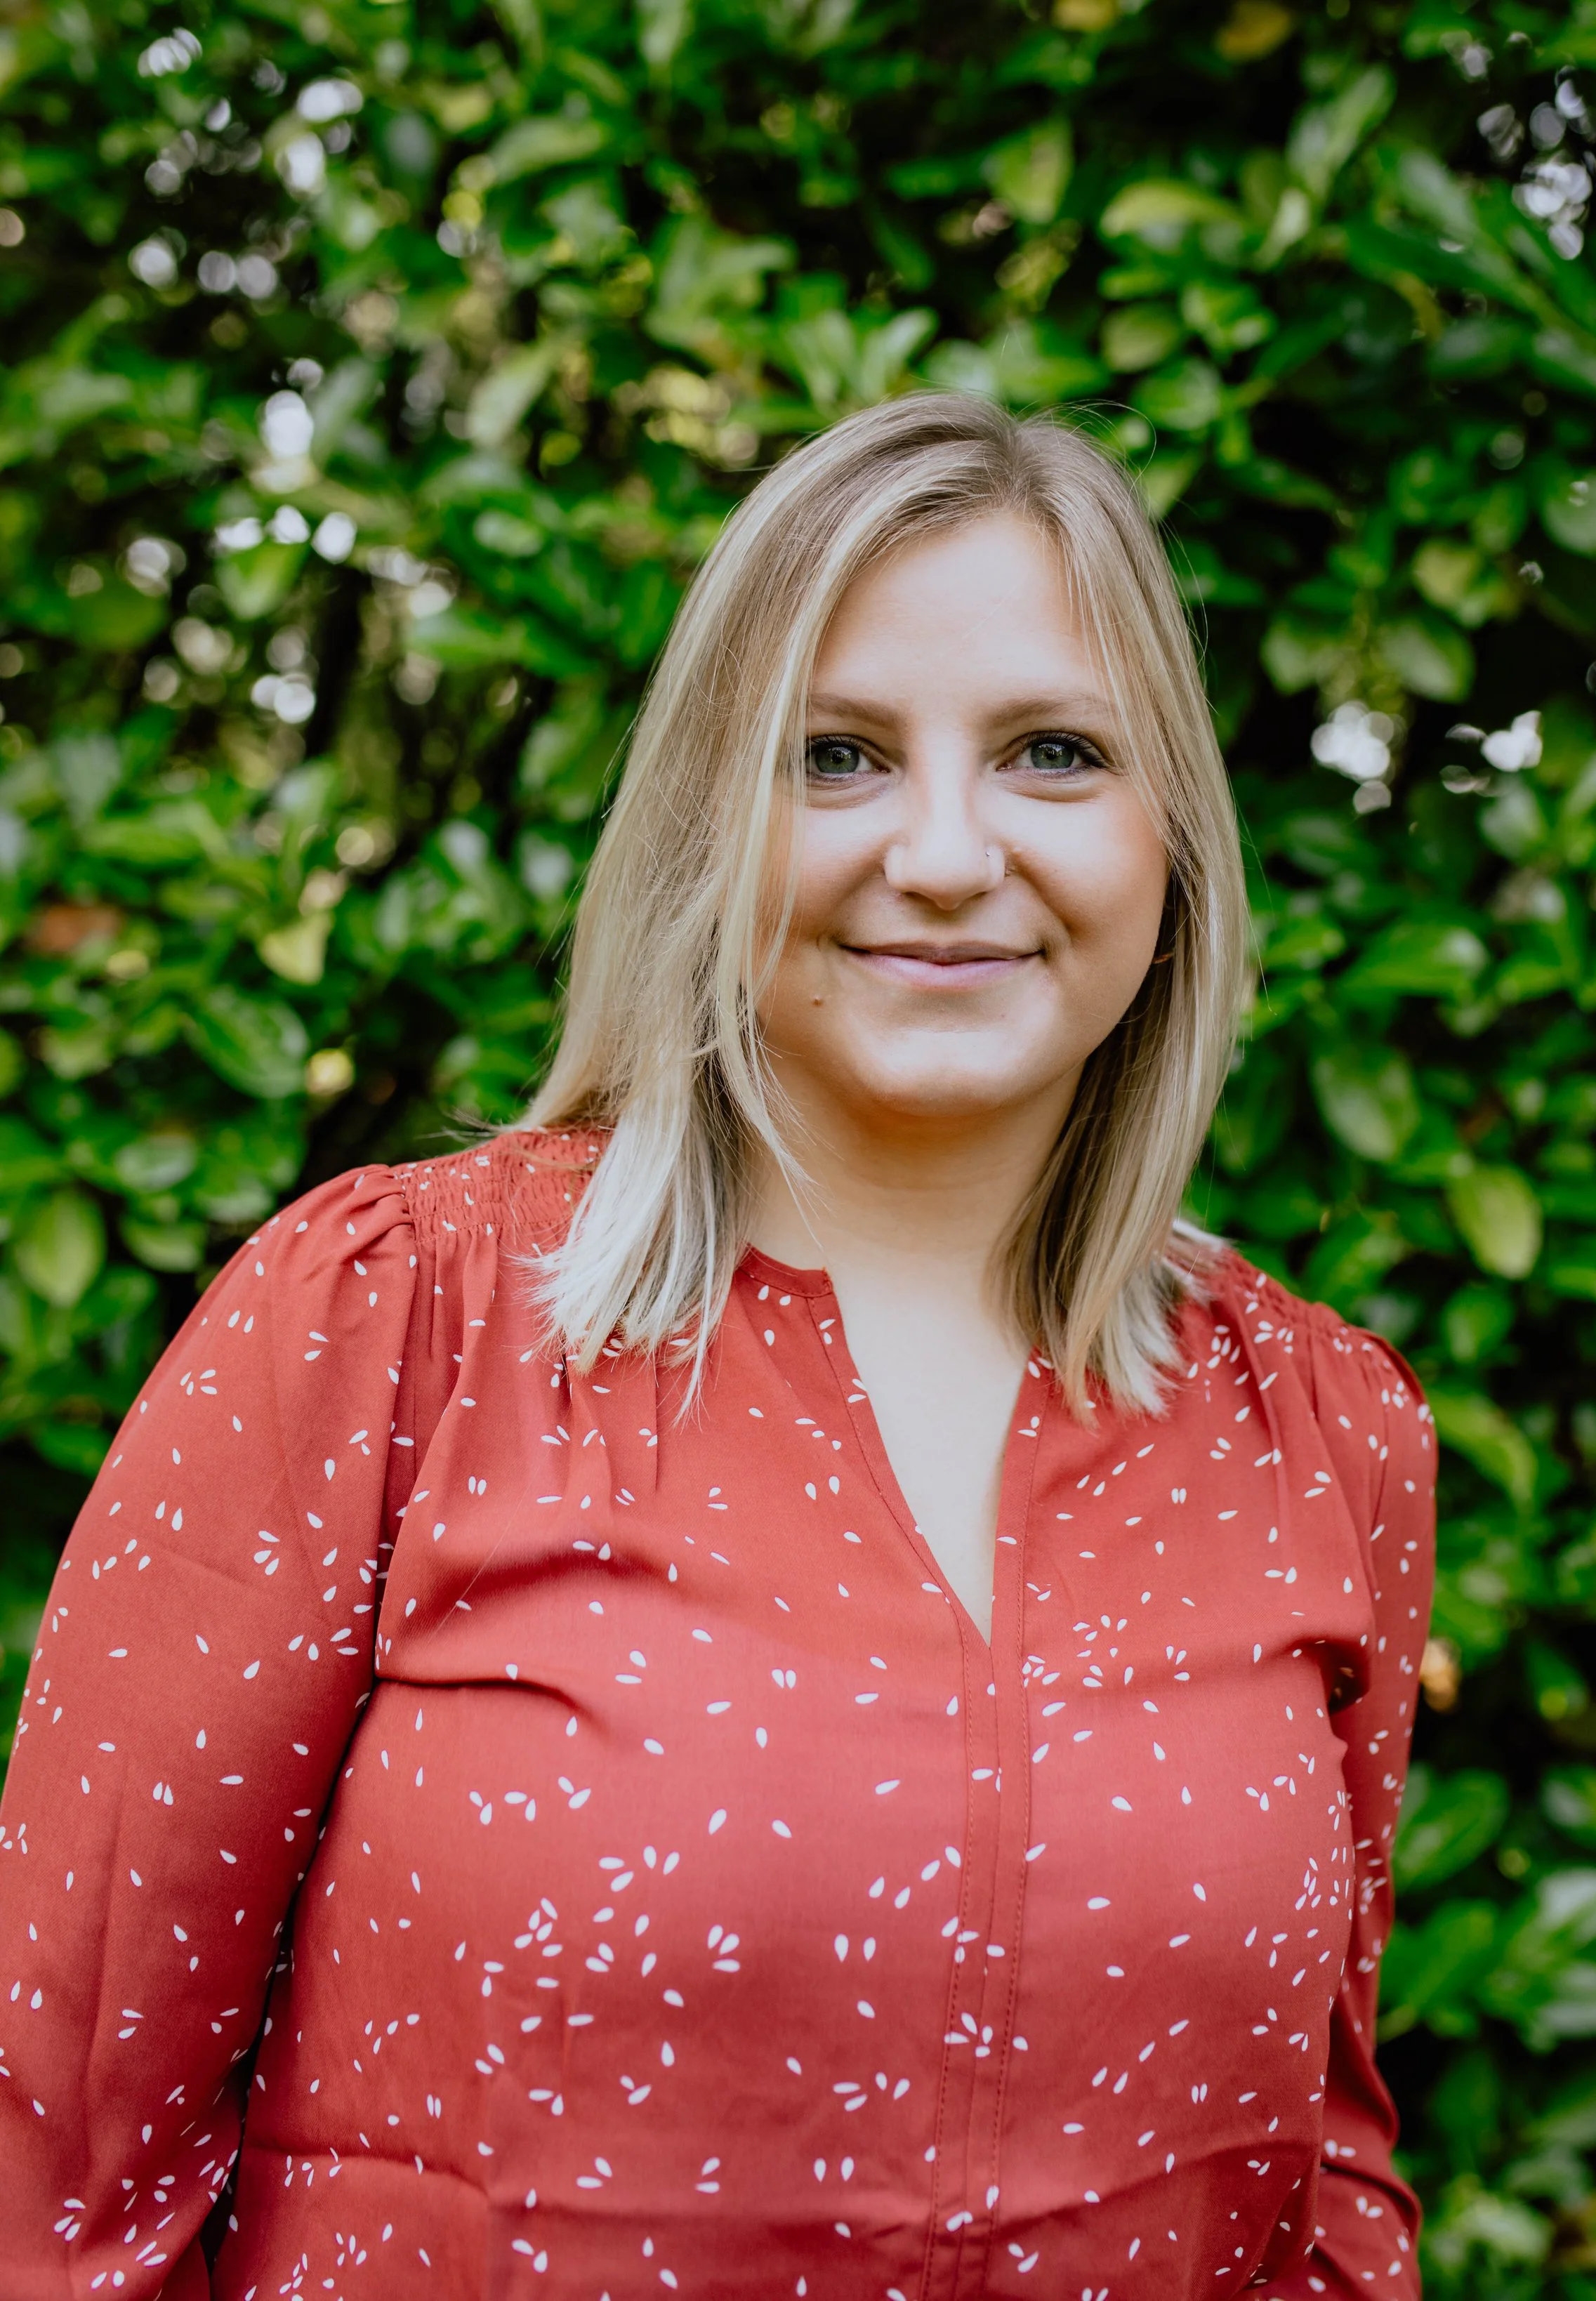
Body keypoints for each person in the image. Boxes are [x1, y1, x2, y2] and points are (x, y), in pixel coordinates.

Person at [0, 393, 1434, 2300]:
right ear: (705, 817)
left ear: (1168, 835)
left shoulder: (1312, 1429)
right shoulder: (392, 1327)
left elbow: (1317, 2185)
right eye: (834, 755)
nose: (942, 852)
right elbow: (62, 2153)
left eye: (1051, 753)